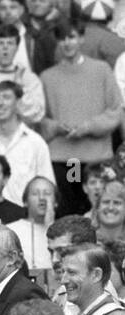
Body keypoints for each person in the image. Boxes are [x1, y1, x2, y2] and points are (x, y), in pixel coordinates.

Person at [40, 18, 123, 217]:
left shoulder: (101, 70)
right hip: (71, 159)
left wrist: (88, 127)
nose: (67, 43)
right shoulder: (48, 76)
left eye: (72, 37)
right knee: (74, 209)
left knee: (103, 209)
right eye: (62, 39)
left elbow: (115, 109)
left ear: (82, 39)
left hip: (97, 158)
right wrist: (57, 127)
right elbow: (40, 118)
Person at [13, 175, 58, 271]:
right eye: (35, 193)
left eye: (47, 193)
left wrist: (51, 224)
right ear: (25, 201)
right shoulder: (12, 231)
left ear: (56, 202)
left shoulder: (65, 232)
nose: (42, 198)